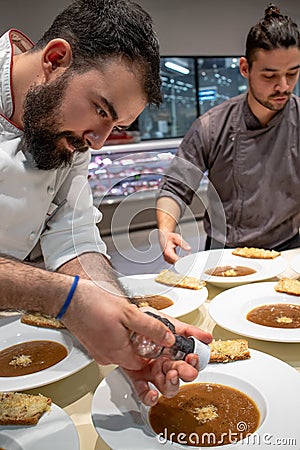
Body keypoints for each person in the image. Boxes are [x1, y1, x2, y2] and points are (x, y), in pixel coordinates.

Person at [0, 0, 212, 406]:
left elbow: (75, 237)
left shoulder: (68, 132)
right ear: (56, 58)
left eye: (113, 126)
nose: (97, 141)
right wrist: (64, 298)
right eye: (101, 110)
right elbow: (64, 291)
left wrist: (129, 323)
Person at [156, 4, 300, 264]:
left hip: (288, 250)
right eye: (270, 76)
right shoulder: (212, 126)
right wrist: (166, 230)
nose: (284, 86)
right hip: (225, 253)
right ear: (245, 68)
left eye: (292, 73)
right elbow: (174, 187)